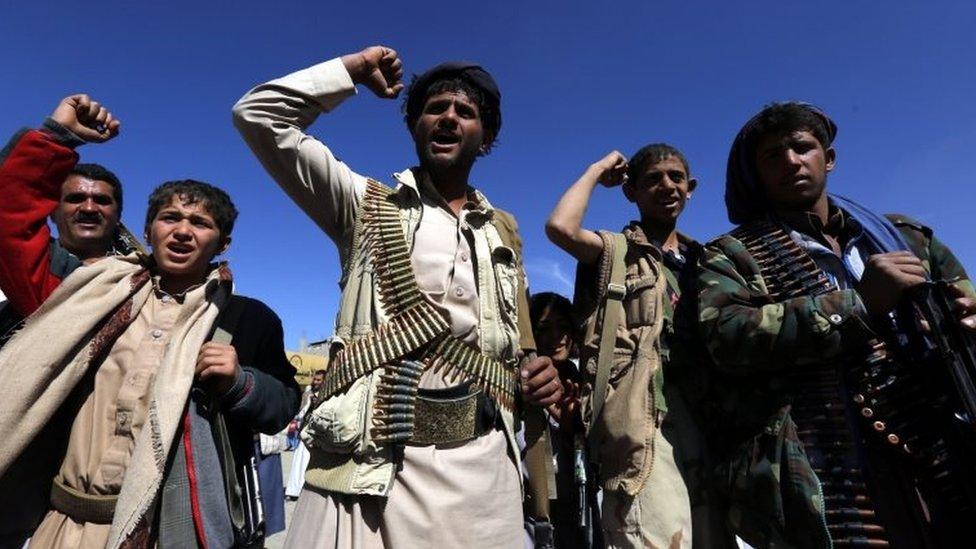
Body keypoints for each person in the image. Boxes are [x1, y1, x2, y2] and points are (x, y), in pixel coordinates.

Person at [233, 45, 562, 548]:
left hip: (485, 470)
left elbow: (515, 346)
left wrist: (535, 374)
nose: (449, 117)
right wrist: (351, 70)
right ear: (414, 125)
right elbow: (257, 115)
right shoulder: (364, 206)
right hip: (372, 469)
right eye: (435, 108)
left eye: (466, 112)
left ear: (486, 138)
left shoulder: (504, 236)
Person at [697, 101, 976, 548]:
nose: (791, 161)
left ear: (828, 158)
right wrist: (859, 304)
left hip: (939, 444)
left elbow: (965, 303)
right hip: (829, 463)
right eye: (772, 155)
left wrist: (959, 323)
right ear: (757, 174)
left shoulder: (904, 236)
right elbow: (727, 337)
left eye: (802, 147)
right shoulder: (732, 255)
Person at [0, 173, 301, 548]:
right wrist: (58, 135)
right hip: (62, 524)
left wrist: (239, 382)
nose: (182, 231)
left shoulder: (247, 318)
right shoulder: (94, 296)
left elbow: (284, 404)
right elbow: (13, 225)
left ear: (223, 243)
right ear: (147, 231)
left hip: (167, 530)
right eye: (170, 218)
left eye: (200, 223)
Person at [547, 145, 727, 547]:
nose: (667, 186)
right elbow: (561, 227)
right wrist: (596, 170)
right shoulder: (614, 251)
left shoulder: (708, 261)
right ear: (631, 191)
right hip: (645, 428)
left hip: (708, 425)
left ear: (691, 188)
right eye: (653, 179)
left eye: (676, 178)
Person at [0, 94, 135, 348]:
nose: (88, 207)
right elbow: (7, 211)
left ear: (118, 217)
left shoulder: (144, 283)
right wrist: (56, 137)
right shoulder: (46, 280)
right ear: (51, 212)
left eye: (102, 201)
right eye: (75, 198)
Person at [285, 369, 326, 500]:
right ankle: (293, 491)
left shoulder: (327, 395)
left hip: (318, 436)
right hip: (305, 433)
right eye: (315, 379)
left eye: (319, 380)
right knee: (299, 462)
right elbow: (300, 413)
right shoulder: (308, 394)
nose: (315, 382)